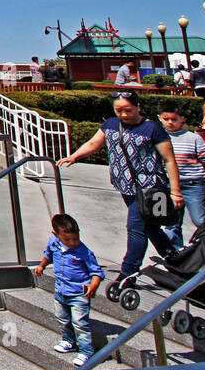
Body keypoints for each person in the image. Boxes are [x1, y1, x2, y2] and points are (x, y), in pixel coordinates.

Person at [57, 91, 183, 286]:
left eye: (128, 110)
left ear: (138, 107)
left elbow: (169, 160)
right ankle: (174, 258)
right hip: (126, 186)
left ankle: (128, 272)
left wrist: (175, 192)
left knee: (136, 228)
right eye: (119, 110)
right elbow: (94, 144)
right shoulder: (110, 125)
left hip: (150, 187)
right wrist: (74, 156)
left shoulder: (152, 129)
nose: (123, 114)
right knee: (150, 225)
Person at [32, 213, 104, 368]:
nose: (72, 243)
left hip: (78, 293)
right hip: (60, 291)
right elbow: (48, 255)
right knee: (62, 318)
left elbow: (96, 272)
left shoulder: (84, 252)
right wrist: (42, 265)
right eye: (67, 239)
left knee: (80, 323)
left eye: (75, 238)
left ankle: (86, 351)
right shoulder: (53, 243)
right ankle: (68, 341)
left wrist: (93, 285)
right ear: (56, 235)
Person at [158, 100, 205, 233]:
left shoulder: (194, 138)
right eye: (166, 119)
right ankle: (174, 252)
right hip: (167, 186)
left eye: (174, 119)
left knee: (200, 220)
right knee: (170, 224)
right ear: (160, 118)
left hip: (193, 185)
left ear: (182, 119)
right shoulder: (157, 138)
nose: (170, 122)